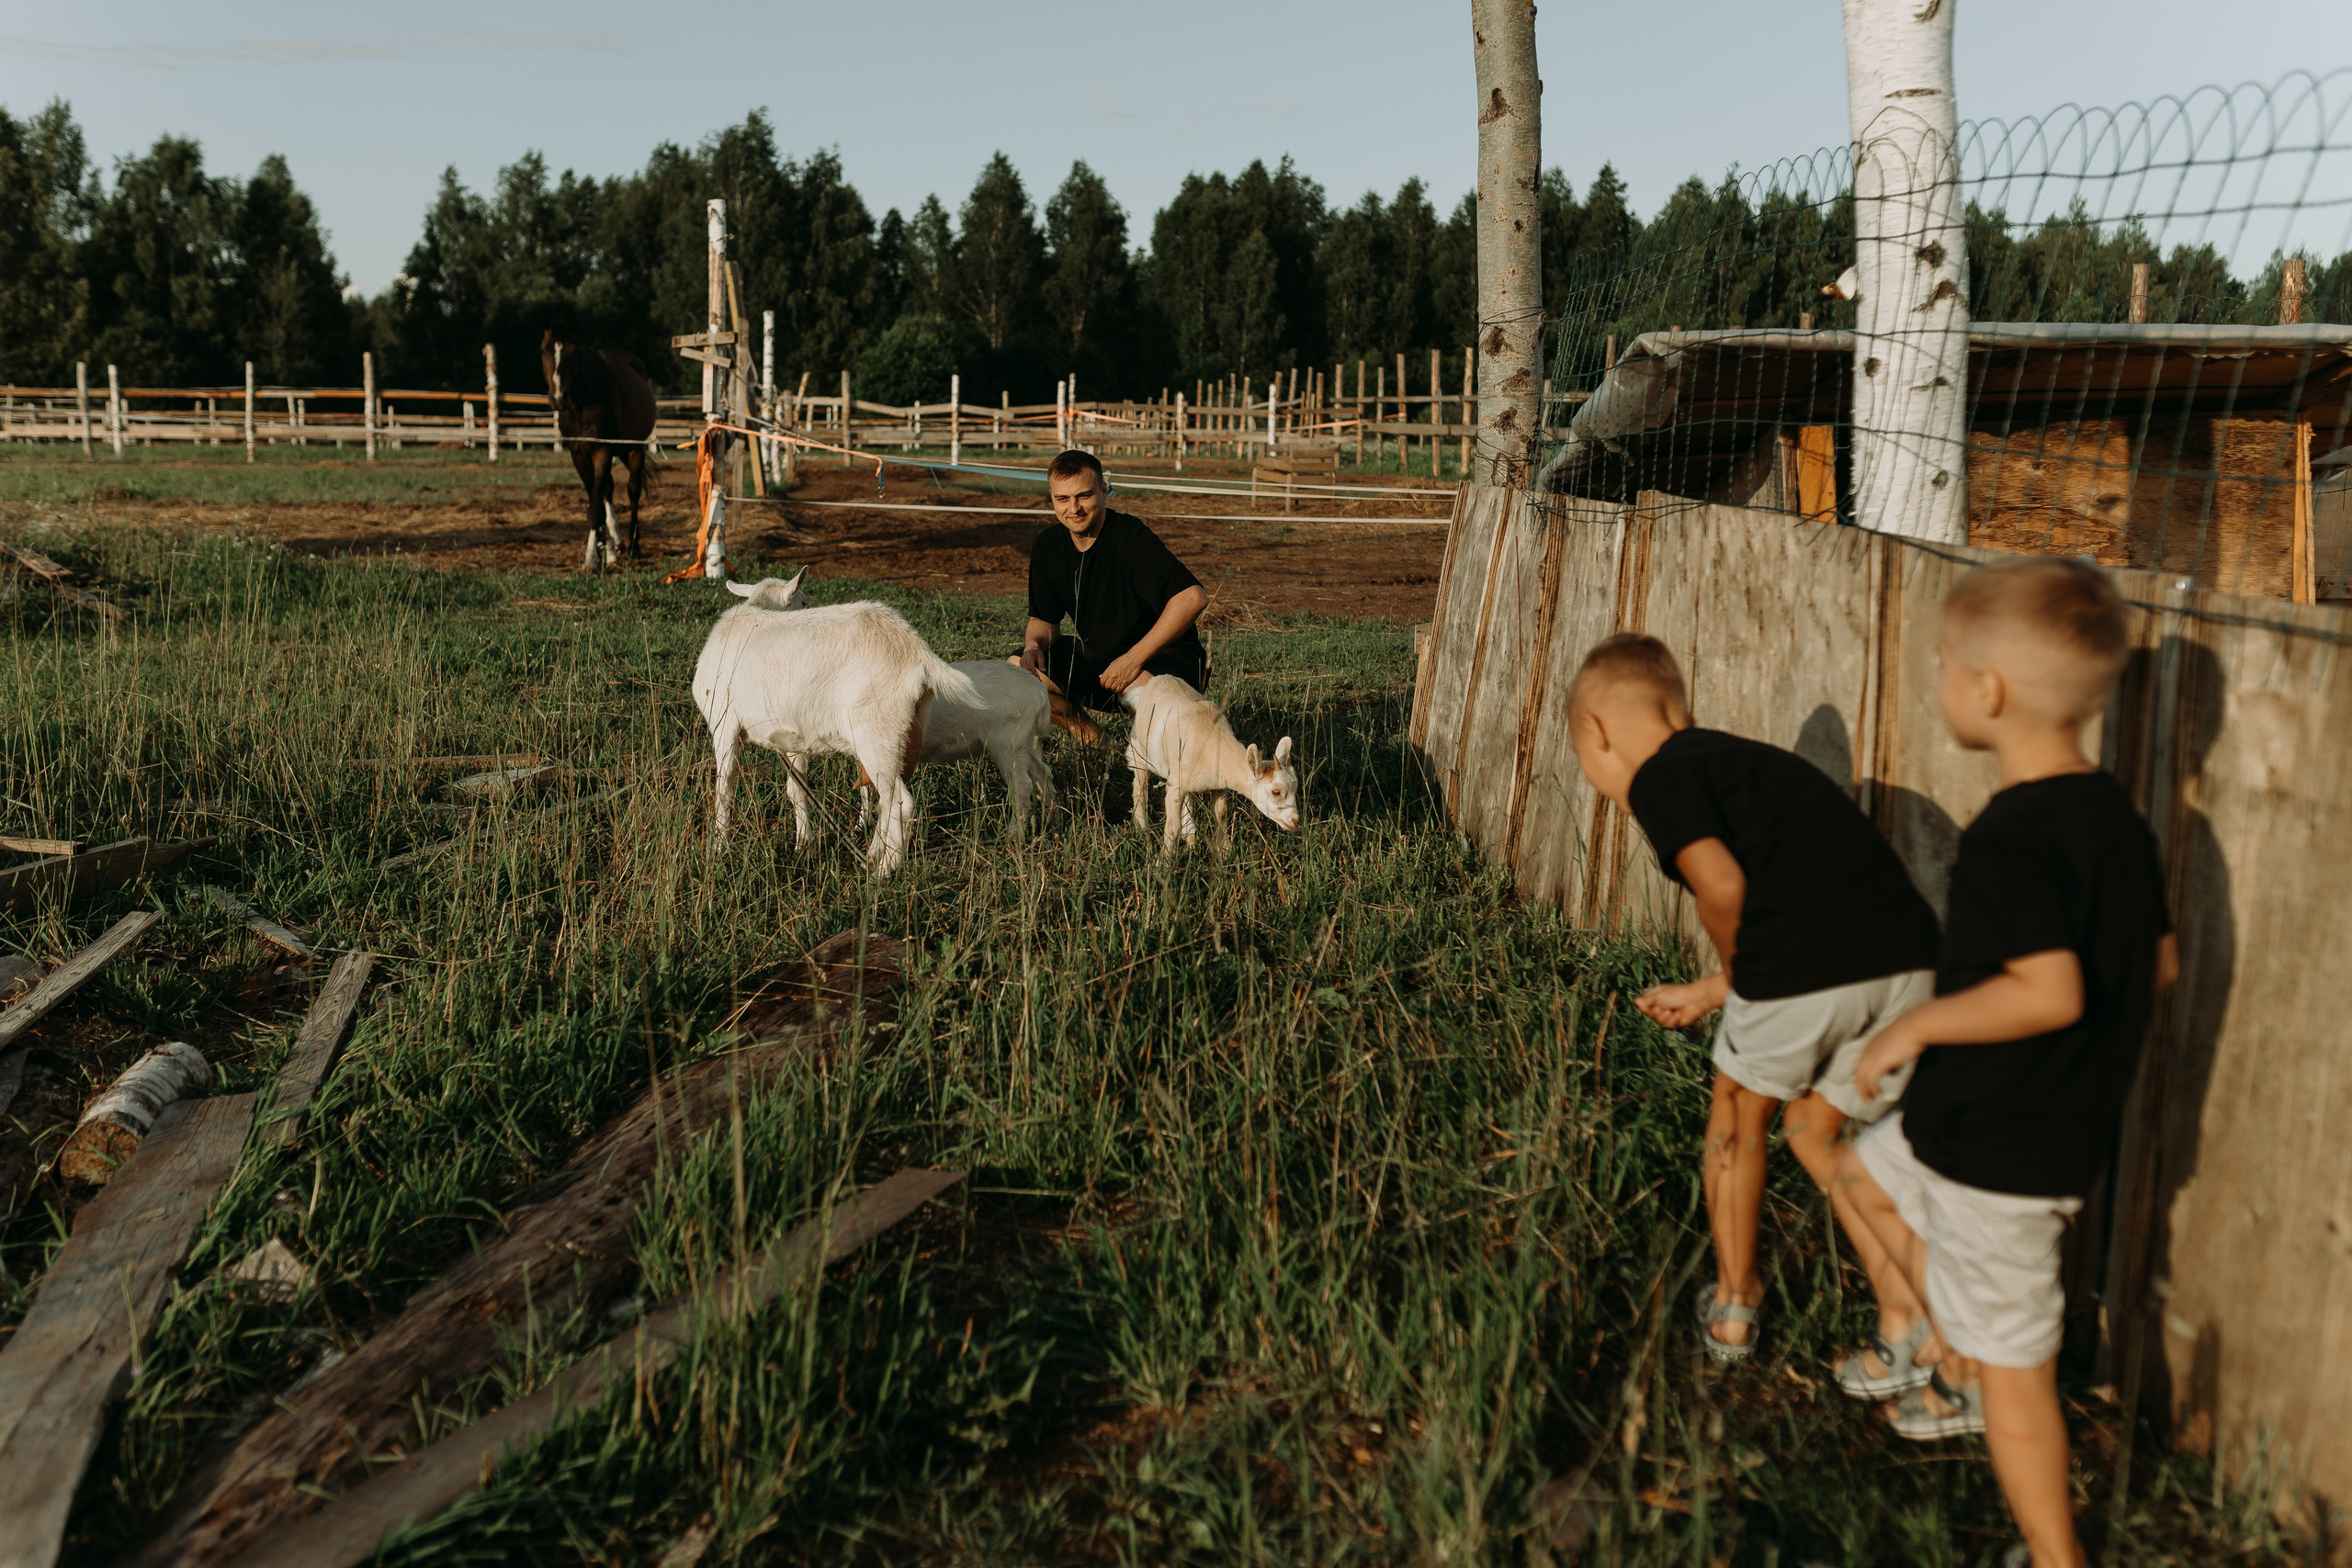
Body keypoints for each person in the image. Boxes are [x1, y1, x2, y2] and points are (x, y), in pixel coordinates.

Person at [1837, 558, 2177, 1568]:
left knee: (2020, 1378)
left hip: (2002, 1154)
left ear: (1985, 691)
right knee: (1861, 1176)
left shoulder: (2011, 839)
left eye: (1943, 664)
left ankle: (2053, 1551)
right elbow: (2153, 964)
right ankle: (1948, 1344)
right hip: (1981, 1122)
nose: (1938, 681)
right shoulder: (2116, 821)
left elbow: (2048, 992)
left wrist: (1912, 1029)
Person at [1566, 633, 1943, 1364]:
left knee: (1737, 1120)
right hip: (1907, 961)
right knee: (1814, 1128)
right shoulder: (1749, 765)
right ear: (1682, 708)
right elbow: (1809, 909)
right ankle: (1906, 1316)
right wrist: (1716, 992)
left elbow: (1728, 889)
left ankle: (1735, 1307)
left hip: (1805, 970)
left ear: (1599, 732)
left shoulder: (1660, 780)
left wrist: (1745, 980)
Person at [1021, 450, 1209, 816]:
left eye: (1084, 496)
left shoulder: (1130, 538)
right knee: (1021, 671)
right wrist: (1032, 646)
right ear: (1052, 499)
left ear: (1104, 491)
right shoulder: (1047, 547)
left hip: (1165, 663)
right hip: (1104, 665)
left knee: (1142, 686)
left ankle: (1176, 793)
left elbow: (1192, 598)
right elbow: (1043, 622)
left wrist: (1133, 659)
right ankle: (1094, 740)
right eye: (1063, 499)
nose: (1073, 508)